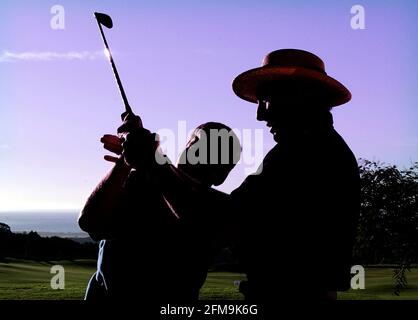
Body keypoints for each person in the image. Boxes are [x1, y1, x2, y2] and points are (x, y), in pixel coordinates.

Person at [230, 49, 360, 302]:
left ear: (301, 96)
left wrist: (157, 167)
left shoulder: (303, 153)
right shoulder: (322, 147)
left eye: (267, 100)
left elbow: (229, 217)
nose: (261, 115)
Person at [78, 114, 241, 301]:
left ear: (222, 175)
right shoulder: (142, 181)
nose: (195, 151)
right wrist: (125, 161)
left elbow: (195, 218)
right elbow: (91, 222)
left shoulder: (220, 212)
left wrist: (151, 159)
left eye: (211, 151)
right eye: (194, 142)